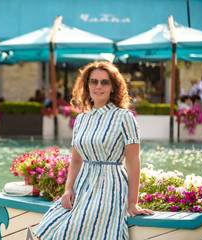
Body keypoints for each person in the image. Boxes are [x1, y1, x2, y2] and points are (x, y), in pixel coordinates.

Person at [34, 61, 154, 240]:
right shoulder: (82, 119)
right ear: (87, 86)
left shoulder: (124, 117)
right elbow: (76, 160)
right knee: (51, 223)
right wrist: (68, 190)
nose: (99, 86)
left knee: (77, 228)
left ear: (113, 87)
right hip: (83, 185)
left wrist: (132, 203)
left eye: (105, 82)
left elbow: (133, 162)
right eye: (93, 81)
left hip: (110, 187)